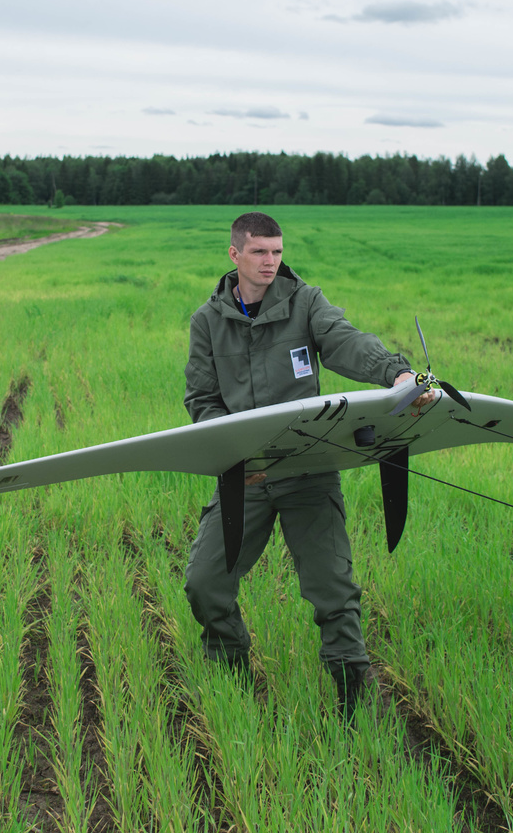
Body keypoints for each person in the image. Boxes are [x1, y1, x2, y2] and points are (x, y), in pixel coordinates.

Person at [182, 211, 433, 716]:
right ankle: (233, 677)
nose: (270, 261)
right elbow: (202, 399)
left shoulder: (305, 302)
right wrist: (235, 454)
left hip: (308, 470)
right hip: (247, 476)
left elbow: (346, 341)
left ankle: (354, 699)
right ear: (234, 254)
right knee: (204, 585)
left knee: (333, 591)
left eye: (276, 251)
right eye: (259, 252)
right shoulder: (208, 321)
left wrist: (396, 374)